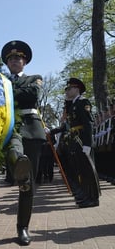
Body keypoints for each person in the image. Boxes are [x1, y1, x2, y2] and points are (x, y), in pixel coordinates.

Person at [1, 40, 46, 246]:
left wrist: (6, 93)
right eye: (11, 58)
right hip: (12, 128)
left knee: (28, 185)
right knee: (16, 155)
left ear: (24, 61)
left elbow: (32, 94)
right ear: (7, 63)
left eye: (18, 58)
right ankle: (18, 161)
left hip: (32, 129)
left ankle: (23, 227)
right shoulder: (0, 80)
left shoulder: (34, 78)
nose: (15, 61)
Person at [50, 78, 99, 208]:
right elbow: (67, 126)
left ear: (77, 89)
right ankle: (85, 196)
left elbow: (88, 124)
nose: (67, 91)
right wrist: (52, 131)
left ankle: (93, 198)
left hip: (82, 141)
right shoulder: (73, 105)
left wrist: (88, 144)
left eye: (69, 88)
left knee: (88, 171)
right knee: (81, 171)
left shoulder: (83, 102)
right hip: (75, 141)